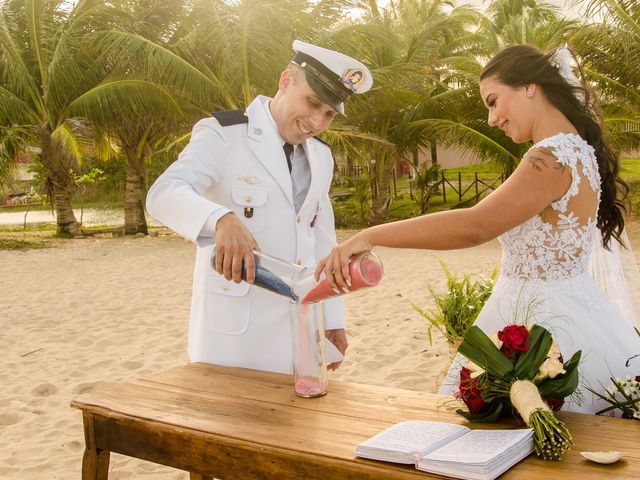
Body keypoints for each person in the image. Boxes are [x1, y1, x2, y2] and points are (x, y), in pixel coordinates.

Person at [316, 44, 640, 414]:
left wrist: (371, 235)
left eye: (493, 101)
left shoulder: (549, 158)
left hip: (542, 327)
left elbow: (475, 226)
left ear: (530, 86)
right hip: (580, 309)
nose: (491, 119)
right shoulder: (579, 152)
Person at [146, 40, 372, 374]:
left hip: (301, 332)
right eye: (313, 103)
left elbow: (324, 243)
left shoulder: (321, 156)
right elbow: (163, 193)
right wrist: (220, 219)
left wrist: (333, 318)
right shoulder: (223, 135)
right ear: (285, 81)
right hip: (235, 338)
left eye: (328, 114)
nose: (317, 122)